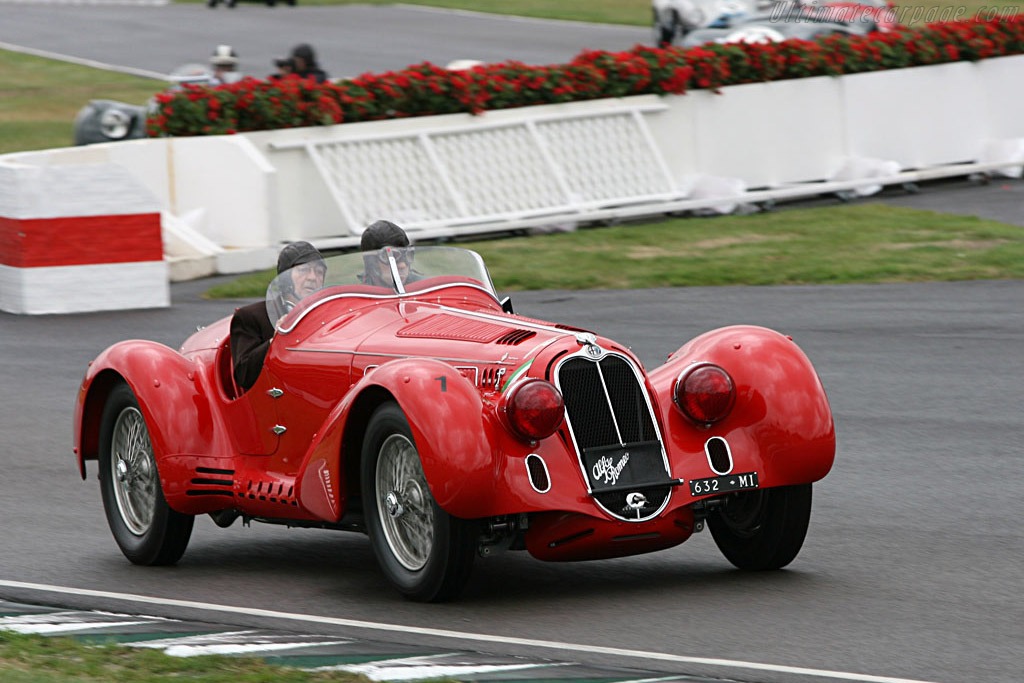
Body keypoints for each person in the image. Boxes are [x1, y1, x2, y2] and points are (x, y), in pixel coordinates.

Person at [230, 241, 325, 392]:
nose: (313, 277)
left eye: (319, 272)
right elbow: (244, 375)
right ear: (285, 279)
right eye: (304, 270)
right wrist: (275, 340)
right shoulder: (251, 316)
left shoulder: (328, 312)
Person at [359, 220, 415, 288]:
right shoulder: (355, 292)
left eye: (407, 255)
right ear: (371, 262)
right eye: (390, 256)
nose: (402, 265)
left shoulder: (424, 286)